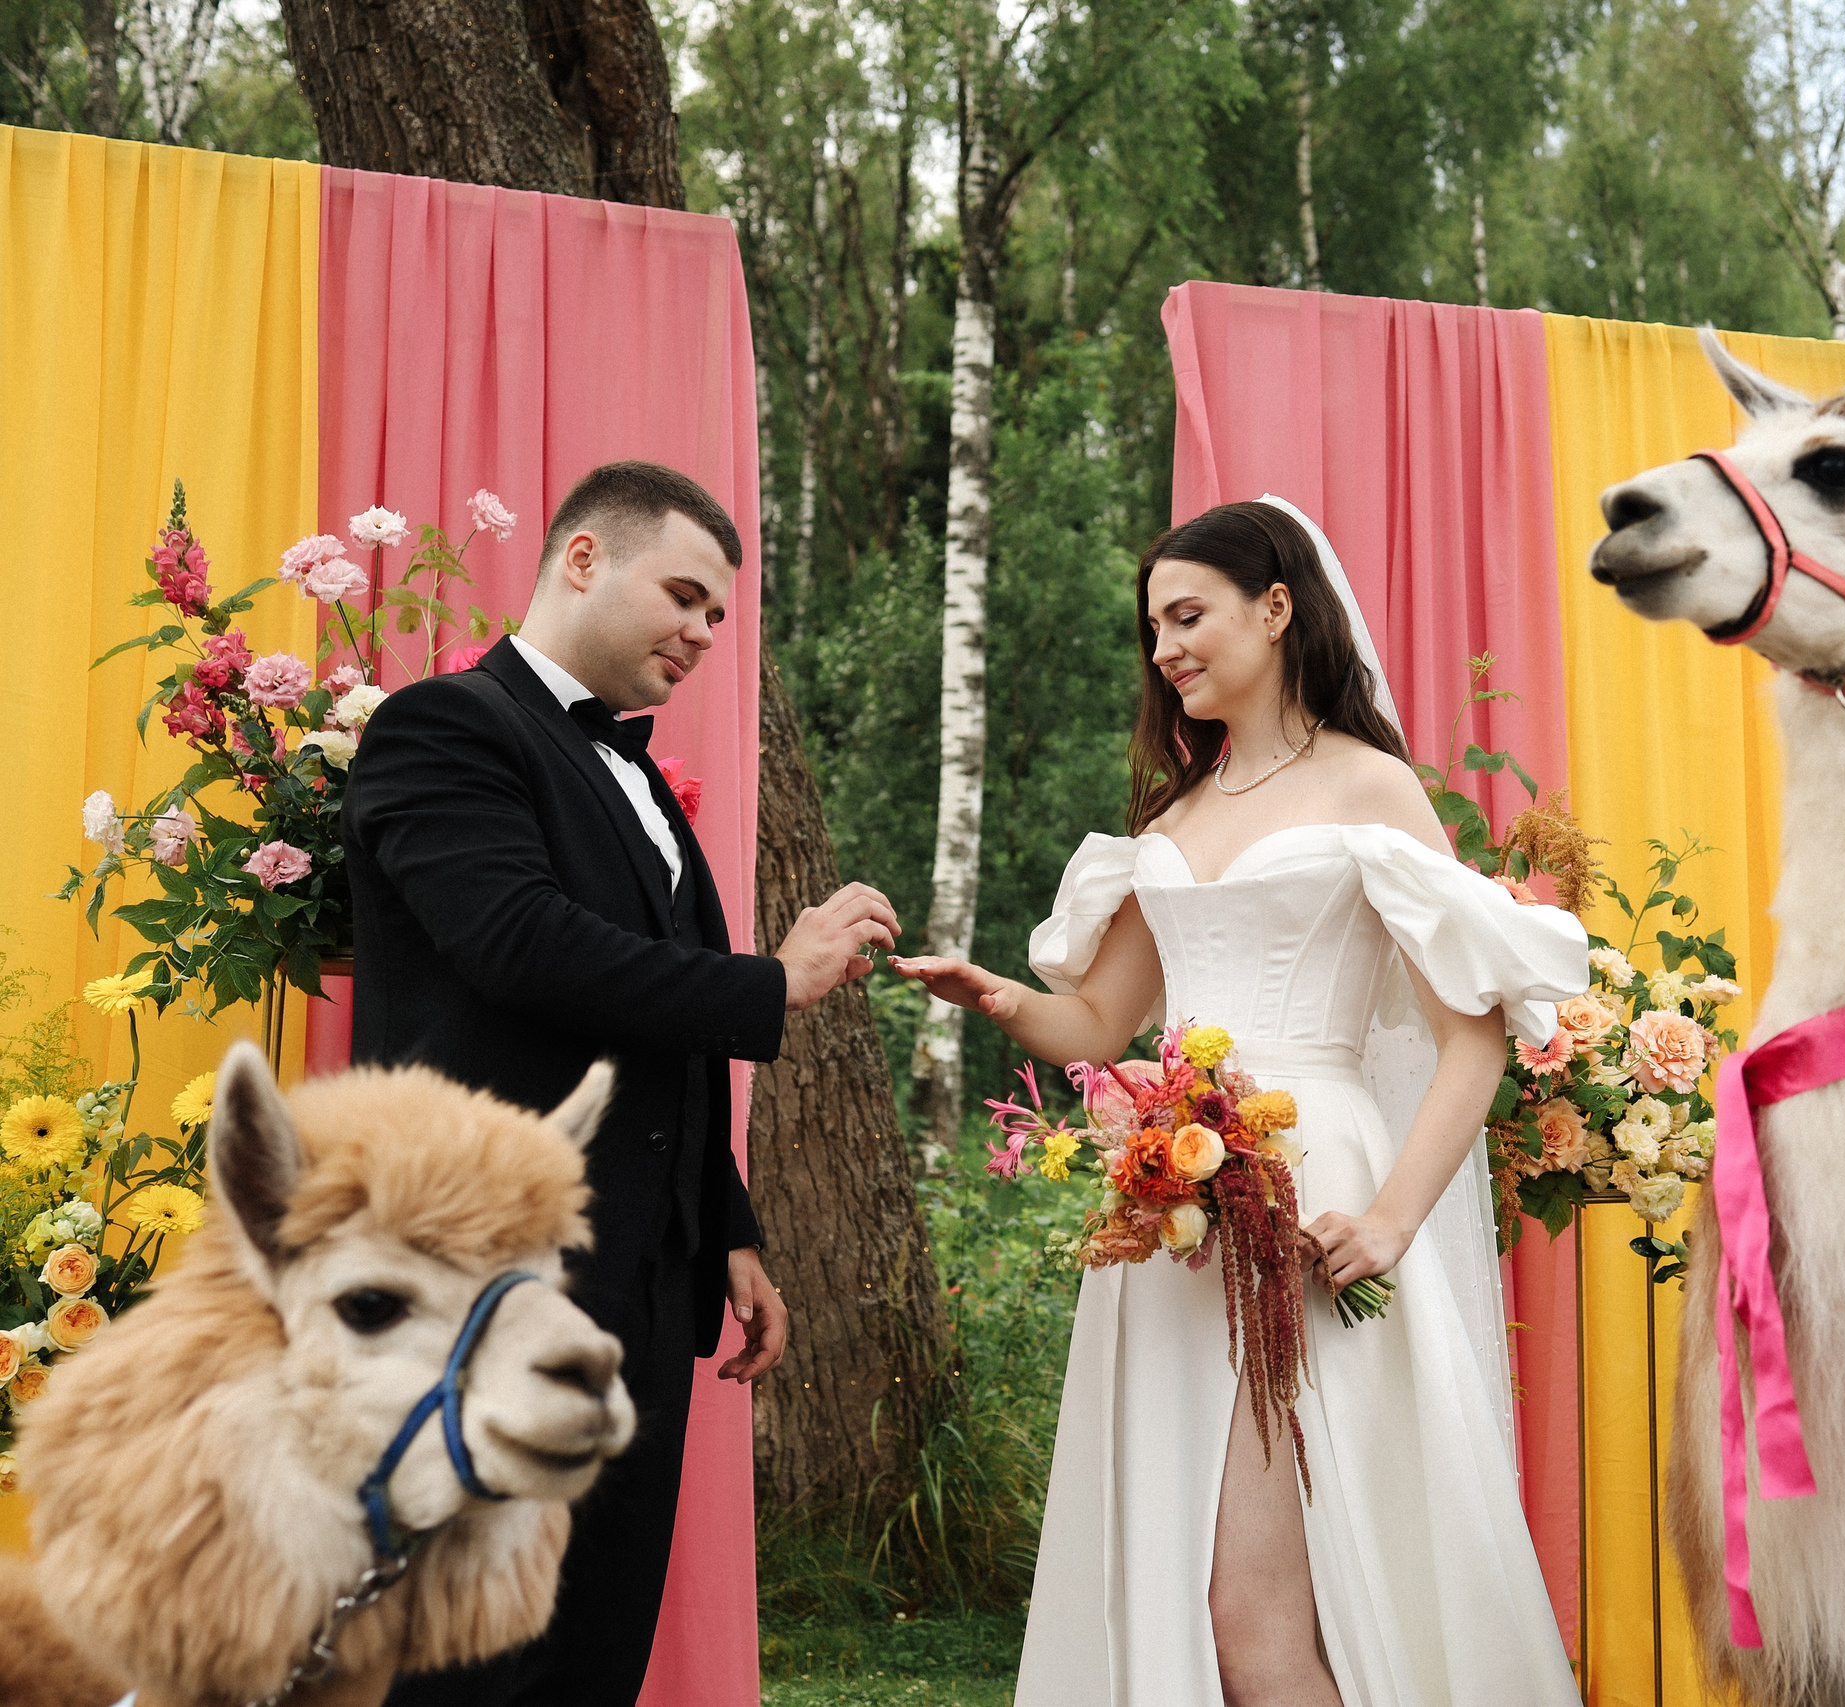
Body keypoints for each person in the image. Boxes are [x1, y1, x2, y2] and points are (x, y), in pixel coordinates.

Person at [895, 498, 1586, 1706]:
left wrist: (1388, 1222)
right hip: (1174, 1219)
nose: (1164, 647)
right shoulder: (1174, 816)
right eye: (1153, 625)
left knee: (1250, 1622)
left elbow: (1468, 1041)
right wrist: (990, 995)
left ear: (1275, 609)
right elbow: (1100, 1025)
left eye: (1188, 614)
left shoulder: (1371, 791)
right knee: (1177, 1592)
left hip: (1312, 1201)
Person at [345, 461, 896, 1707]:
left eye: (718, 615)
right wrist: (773, 981)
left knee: (593, 1651)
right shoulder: (443, 725)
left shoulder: (641, 777)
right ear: (584, 558)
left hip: (645, 1285)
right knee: (467, 1655)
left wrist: (729, 1233)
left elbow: (659, 1031)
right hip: (491, 1281)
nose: (704, 635)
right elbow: (522, 948)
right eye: (686, 597)